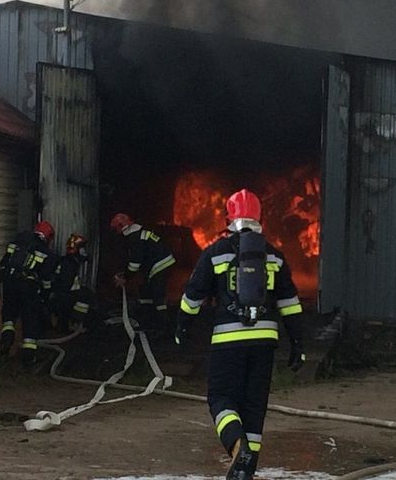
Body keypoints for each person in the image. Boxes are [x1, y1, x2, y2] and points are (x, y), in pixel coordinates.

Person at [175, 189, 305, 480]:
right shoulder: (274, 256)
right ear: (260, 217)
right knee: (254, 407)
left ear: (229, 218)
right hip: (265, 342)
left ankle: (236, 444)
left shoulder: (216, 252)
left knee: (221, 399)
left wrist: (182, 327)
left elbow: (192, 297)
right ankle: (246, 470)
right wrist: (298, 343)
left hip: (228, 340)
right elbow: (290, 304)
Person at [0, 220, 57, 367]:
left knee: (9, 317)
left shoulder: (18, 241)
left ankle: (5, 345)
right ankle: (28, 359)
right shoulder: (46, 252)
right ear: (48, 237)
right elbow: (47, 278)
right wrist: (46, 296)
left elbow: (4, 262)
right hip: (28, 287)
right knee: (30, 320)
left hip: (10, 282)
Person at [109, 213, 176, 333]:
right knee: (145, 290)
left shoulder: (134, 237)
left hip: (160, 264)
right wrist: (124, 272)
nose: (116, 232)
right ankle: (149, 321)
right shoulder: (138, 232)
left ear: (121, 226)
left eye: (116, 229)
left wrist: (125, 277)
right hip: (156, 263)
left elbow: (135, 263)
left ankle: (165, 327)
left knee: (157, 293)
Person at [49, 233, 94, 332]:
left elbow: (85, 258)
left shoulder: (69, 260)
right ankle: (75, 322)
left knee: (86, 293)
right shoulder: (69, 263)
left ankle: (72, 322)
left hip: (63, 294)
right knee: (87, 296)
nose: (84, 251)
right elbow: (65, 285)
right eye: (82, 248)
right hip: (64, 296)